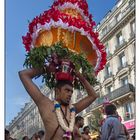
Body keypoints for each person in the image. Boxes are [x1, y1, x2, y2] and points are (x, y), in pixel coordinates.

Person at [19, 63, 97, 140]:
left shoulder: (73, 109)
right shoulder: (45, 104)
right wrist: (46, 69)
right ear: (57, 91)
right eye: (67, 90)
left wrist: (81, 77)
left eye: (71, 92)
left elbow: (93, 96)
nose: (70, 94)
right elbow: (23, 74)